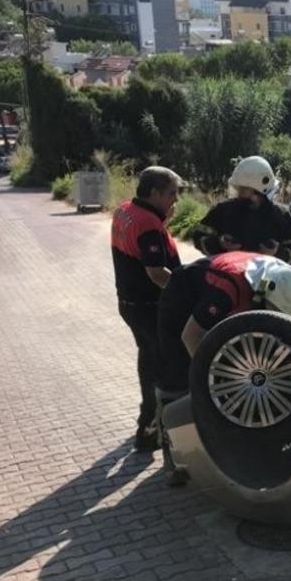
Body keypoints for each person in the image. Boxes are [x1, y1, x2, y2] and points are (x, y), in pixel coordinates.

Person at [155, 252, 291, 485]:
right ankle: (172, 453)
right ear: (263, 292)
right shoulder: (230, 289)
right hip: (184, 300)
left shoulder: (289, 281)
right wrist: (216, 379)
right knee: (177, 375)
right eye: (275, 309)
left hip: (225, 297)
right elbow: (191, 336)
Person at [111, 166, 183, 451]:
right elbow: (156, 272)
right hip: (149, 306)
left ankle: (150, 423)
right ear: (154, 193)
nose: (176, 199)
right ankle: (150, 428)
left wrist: (163, 220)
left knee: (148, 358)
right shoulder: (148, 224)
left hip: (130, 303)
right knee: (162, 368)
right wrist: (185, 293)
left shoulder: (125, 210)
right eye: (171, 193)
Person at [194, 156, 291, 264]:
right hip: (227, 271)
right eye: (238, 188)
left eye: (243, 189)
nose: (239, 192)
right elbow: (199, 237)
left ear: (259, 190)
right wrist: (219, 245)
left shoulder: (282, 217)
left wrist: (277, 253)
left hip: (265, 274)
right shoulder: (223, 210)